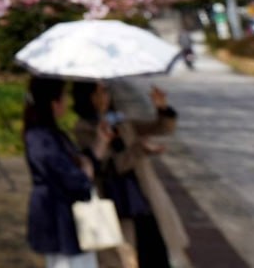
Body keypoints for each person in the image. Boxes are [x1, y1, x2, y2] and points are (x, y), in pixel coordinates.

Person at [72, 82, 188, 268]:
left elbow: (162, 128)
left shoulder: (120, 120)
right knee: (129, 257)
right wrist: (139, 149)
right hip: (118, 200)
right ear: (87, 97)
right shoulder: (84, 128)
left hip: (143, 195)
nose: (105, 97)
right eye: (99, 92)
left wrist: (162, 108)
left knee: (158, 251)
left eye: (106, 91)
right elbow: (110, 165)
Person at [25, 76, 110, 268]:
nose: (66, 102)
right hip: (58, 216)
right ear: (53, 103)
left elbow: (79, 166)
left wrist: (100, 142)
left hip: (63, 214)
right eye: (63, 97)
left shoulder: (50, 134)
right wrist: (84, 173)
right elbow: (70, 176)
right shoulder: (41, 137)